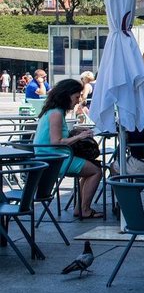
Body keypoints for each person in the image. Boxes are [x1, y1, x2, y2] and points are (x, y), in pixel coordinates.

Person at [33, 79, 102, 218]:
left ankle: (81, 208)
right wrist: (80, 136)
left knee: (90, 169)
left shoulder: (52, 111)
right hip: (55, 159)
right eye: (77, 97)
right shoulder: (57, 114)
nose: (78, 100)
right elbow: (56, 142)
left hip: (48, 157)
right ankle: (84, 209)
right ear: (67, 95)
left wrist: (75, 132)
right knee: (96, 171)